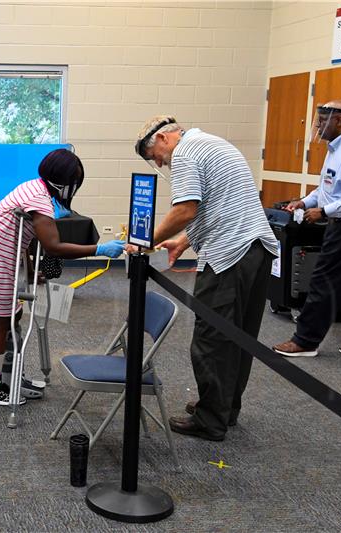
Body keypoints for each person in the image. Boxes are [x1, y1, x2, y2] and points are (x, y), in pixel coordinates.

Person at [132, 115, 279, 441]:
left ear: (164, 139)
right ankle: (225, 408)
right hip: (256, 250)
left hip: (229, 256)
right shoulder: (212, 143)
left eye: (154, 156)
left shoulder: (184, 153)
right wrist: (182, 242)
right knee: (240, 335)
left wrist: (144, 241)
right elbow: (217, 205)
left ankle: (211, 420)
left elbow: (186, 210)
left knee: (212, 337)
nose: (159, 163)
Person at [0, 149, 125, 406]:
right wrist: (99, 249)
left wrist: (31, 269)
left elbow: (24, 237)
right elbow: (53, 246)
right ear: (62, 180)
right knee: (0, 322)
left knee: (11, 316)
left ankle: (10, 377)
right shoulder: (39, 198)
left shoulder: (35, 187)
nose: (74, 187)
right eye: (74, 181)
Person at [273, 100, 341, 362]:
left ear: (340, 121)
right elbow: (327, 189)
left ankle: (305, 341)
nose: (319, 125)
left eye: (324, 120)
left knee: (322, 282)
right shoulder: (336, 149)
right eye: (319, 120)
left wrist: (324, 212)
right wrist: (305, 202)